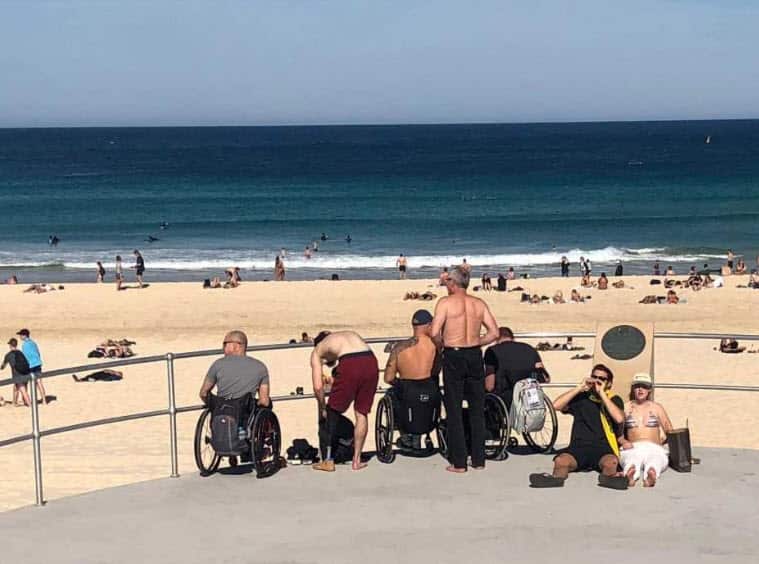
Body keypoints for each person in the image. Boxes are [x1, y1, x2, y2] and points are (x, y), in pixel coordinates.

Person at [431, 266, 499, 473]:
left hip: (454, 354)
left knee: (454, 408)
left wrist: (443, 344)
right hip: (474, 354)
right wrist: (477, 341)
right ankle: (478, 459)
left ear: (453, 283)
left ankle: (459, 462)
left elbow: (434, 332)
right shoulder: (478, 303)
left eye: (447, 281)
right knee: (477, 408)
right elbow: (494, 333)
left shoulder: (445, 303)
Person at [529, 364, 625, 489]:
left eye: (602, 379)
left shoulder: (613, 400)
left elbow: (619, 418)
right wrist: (579, 388)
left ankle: (609, 479)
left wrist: (602, 394)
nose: (597, 380)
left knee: (611, 462)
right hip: (578, 446)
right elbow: (555, 406)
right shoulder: (582, 398)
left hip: (602, 447)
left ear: (609, 383)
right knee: (561, 461)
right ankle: (556, 479)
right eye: (594, 377)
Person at [310, 330, 379, 471]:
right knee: (361, 413)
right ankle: (356, 460)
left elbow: (318, 387)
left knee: (332, 411)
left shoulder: (317, 350)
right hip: (371, 360)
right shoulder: (345, 336)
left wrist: (323, 406)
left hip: (351, 363)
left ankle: (328, 460)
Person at [383, 310, 442, 448]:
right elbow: (436, 370)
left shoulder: (400, 348)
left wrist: (400, 383)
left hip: (407, 390)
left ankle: (405, 435)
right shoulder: (436, 346)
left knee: (393, 394)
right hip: (430, 388)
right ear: (429, 325)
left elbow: (388, 377)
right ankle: (418, 436)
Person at [618, 373, 673, 487]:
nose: (640, 389)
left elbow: (670, 430)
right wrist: (623, 442)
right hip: (633, 446)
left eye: (644, 386)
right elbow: (616, 432)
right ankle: (630, 474)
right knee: (630, 460)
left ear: (649, 390)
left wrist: (663, 442)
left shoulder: (657, 407)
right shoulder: (625, 407)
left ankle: (651, 474)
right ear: (633, 389)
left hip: (654, 447)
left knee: (656, 460)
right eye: (637, 386)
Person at [198, 330, 270, 407]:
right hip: (246, 414)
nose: (223, 347)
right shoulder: (260, 366)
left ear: (236, 346)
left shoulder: (218, 364)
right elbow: (264, 401)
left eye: (225, 344)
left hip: (221, 412)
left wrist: (214, 406)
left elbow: (203, 393)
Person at [484, 327, 548, 410]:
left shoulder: (492, 351)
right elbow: (545, 377)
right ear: (512, 337)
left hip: (505, 398)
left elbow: (489, 386)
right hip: (530, 397)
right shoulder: (529, 348)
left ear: (496, 338)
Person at [16, 329, 47, 405]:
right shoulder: (33, 343)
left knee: (25, 382)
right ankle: (44, 400)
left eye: (21, 335)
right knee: (39, 382)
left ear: (24, 335)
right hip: (37, 363)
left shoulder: (24, 345)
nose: (20, 336)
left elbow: (25, 357)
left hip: (30, 365)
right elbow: (38, 353)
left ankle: (26, 400)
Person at [1, 338, 31, 407]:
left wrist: (2, 367)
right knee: (16, 388)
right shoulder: (20, 353)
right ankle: (14, 402)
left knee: (23, 390)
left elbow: (3, 366)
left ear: (10, 345)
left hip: (17, 375)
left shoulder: (8, 355)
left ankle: (30, 405)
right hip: (25, 373)